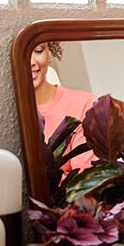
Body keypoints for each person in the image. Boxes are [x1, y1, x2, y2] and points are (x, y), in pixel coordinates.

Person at [32, 41, 96, 175]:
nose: (31, 62)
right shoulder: (8, 115)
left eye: (38, 51)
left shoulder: (84, 104)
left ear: (49, 51)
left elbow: (85, 180)